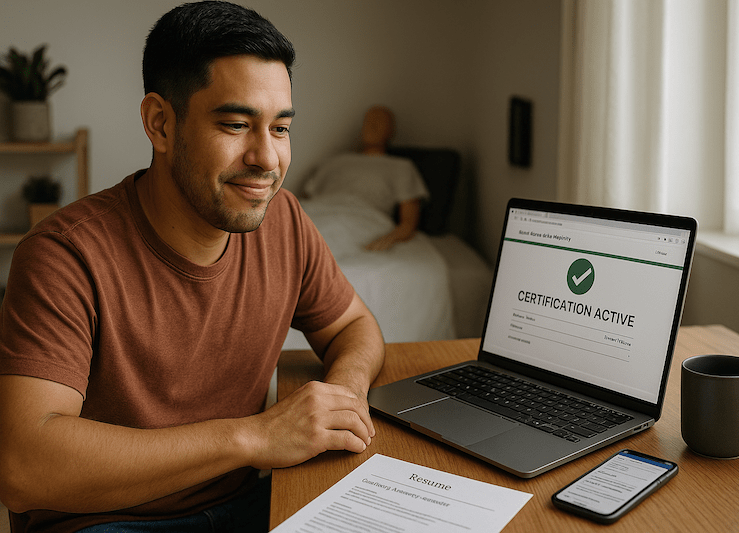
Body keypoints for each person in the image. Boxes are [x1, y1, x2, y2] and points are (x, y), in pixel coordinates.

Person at [0, 2, 384, 532]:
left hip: (247, 505)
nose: (267, 159)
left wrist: (342, 398)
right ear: (160, 123)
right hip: (105, 521)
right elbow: (24, 467)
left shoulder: (284, 222)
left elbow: (354, 326)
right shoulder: (64, 255)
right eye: (235, 124)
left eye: (280, 129)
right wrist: (254, 437)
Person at [302, 105, 429, 251]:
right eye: (368, 121)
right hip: (316, 211)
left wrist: (389, 239)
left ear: (391, 131)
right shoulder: (334, 161)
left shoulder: (401, 167)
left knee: (318, 241)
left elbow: (408, 222)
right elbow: (304, 199)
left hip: (361, 218)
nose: (372, 125)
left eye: (380, 122)